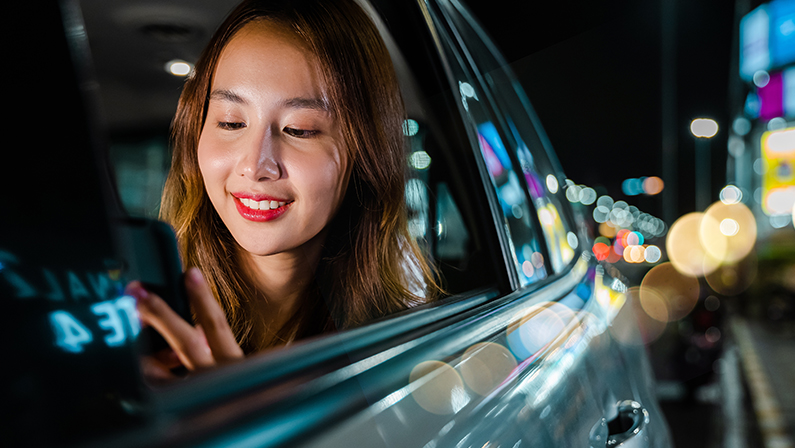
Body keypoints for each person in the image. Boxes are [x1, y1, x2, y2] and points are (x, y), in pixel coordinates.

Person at [125, 0, 441, 380]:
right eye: (230, 123)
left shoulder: (410, 351)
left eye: (300, 129)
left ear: (366, 152)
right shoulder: (134, 318)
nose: (255, 166)